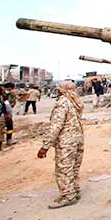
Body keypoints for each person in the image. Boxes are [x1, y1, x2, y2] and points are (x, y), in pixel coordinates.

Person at [37, 81, 85, 209]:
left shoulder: (62, 103)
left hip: (66, 142)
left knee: (64, 169)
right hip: (77, 139)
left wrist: (45, 146)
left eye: (58, 88)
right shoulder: (75, 101)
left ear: (62, 90)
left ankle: (68, 196)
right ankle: (74, 190)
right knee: (73, 167)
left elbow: (56, 126)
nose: (57, 90)